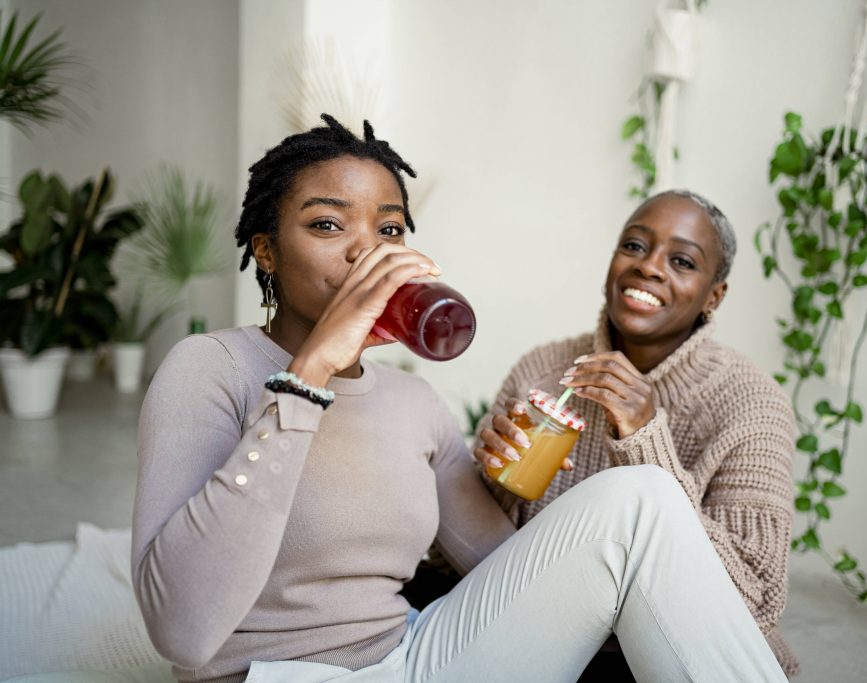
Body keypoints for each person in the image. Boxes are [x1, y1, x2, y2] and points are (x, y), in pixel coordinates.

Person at [131, 116, 788, 683]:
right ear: (266, 250)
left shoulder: (412, 400)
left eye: (388, 230)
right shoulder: (209, 367)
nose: (366, 251)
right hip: (279, 676)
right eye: (328, 223)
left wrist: (506, 482)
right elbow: (183, 633)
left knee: (637, 497)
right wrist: (308, 377)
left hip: (419, 656)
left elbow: (511, 571)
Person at [475, 190, 800, 677]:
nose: (648, 267)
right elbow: (471, 557)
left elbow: (753, 600)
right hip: (535, 630)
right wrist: (494, 480)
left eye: (682, 261)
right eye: (634, 246)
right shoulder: (544, 370)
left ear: (715, 295)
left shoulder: (751, 403)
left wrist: (646, 440)